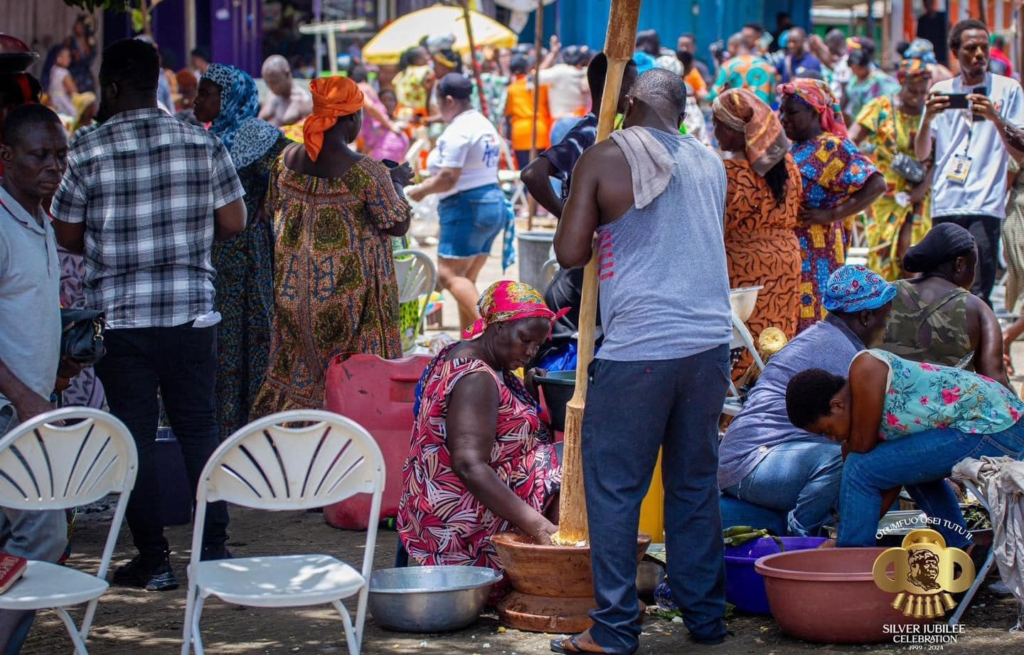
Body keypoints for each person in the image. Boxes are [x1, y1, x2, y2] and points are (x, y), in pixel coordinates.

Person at [51, 38, 247, 591]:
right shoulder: (197, 140)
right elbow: (233, 221)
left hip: (122, 319)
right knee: (199, 426)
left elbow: (66, 233)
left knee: (133, 437)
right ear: (156, 80)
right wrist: (184, 243)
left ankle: (154, 560)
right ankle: (213, 550)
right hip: (191, 314)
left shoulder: (86, 147)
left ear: (111, 88)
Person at [554, 69, 733, 651]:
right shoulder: (709, 161)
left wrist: (579, 189)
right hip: (709, 347)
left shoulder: (604, 158)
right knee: (693, 485)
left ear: (626, 103)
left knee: (614, 492)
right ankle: (705, 620)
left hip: (640, 353)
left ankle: (612, 631)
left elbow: (569, 251)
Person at [252, 76, 410, 416]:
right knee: (350, 387)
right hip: (351, 305)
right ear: (353, 118)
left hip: (295, 298)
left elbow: (272, 211)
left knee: (300, 379)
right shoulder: (366, 172)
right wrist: (397, 183)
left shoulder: (287, 160)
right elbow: (398, 224)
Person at [397, 281, 562, 582]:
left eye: (538, 345)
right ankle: (549, 573)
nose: (530, 352)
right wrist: (538, 525)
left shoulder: (468, 354)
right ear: (497, 328)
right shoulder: (476, 378)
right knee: (572, 468)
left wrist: (523, 390)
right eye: (525, 340)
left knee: (565, 457)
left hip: (446, 506)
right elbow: (469, 465)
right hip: (458, 522)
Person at [720, 266, 896, 537]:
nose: (886, 328)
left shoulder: (826, 337)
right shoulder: (843, 353)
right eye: (885, 319)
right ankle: (800, 535)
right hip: (750, 464)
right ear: (866, 316)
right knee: (843, 459)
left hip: (762, 460)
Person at [786, 350, 1024, 548]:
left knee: (860, 466)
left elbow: (861, 457)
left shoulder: (864, 367)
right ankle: (962, 548)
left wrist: (844, 544)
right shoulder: (869, 419)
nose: (833, 439)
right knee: (906, 472)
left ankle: (848, 565)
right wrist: (845, 534)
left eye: (827, 431)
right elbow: (887, 482)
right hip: (992, 429)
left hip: (997, 426)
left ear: (836, 405)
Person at [0, 104, 74, 654]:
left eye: (60, 155)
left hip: (29, 407)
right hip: (11, 412)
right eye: (39, 155)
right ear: (5, 158)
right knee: (43, 533)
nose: (54, 166)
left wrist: (55, 367)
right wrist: (22, 392)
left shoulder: (35, 217)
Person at [521, 54, 638, 369]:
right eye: (631, 85)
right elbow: (533, 174)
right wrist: (571, 219)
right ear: (612, 87)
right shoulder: (590, 133)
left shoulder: (621, 132)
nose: (635, 94)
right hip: (583, 269)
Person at [193, 63, 290, 441]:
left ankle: (245, 435)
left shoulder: (256, 134)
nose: (197, 100)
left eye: (206, 93)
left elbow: (293, 172)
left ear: (229, 98)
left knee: (243, 342)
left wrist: (268, 202)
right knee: (215, 346)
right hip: (210, 257)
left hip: (245, 260)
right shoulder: (204, 136)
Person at [914, 19, 1024, 306]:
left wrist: (995, 118)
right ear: (955, 52)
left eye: (984, 48)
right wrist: (927, 119)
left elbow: (1020, 152)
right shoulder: (941, 89)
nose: (979, 55)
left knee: (977, 293)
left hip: (985, 205)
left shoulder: (1007, 89)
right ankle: (946, 350)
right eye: (970, 48)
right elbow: (922, 153)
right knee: (941, 290)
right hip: (946, 201)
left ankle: (979, 350)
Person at [778, 79, 886, 332]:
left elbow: (876, 184)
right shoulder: (794, 149)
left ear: (815, 111)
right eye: (782, 111)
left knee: (814, 321)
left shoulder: (834, 147)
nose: (783, 118)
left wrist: (831, 214)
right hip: (794, 253)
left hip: (819, 254)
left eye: (791, 112)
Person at [405, 74, 505, 332]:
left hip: (466, 206)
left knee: (449, 276)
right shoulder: (482, 123)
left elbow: (449, 177)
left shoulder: (458, 130)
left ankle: (496, 334)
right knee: (466, 279)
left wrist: (420, 191)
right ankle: (471, 342)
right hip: (491, 202)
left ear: (448, 100)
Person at [713, 89, 801, 364]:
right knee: (776, 342)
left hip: (744, 271)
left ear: (736, 130)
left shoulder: (727, 173)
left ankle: (739, 405)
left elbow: (716, 224)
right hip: (785, 265)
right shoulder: (786, 164)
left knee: (743, 351)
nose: (714, 130)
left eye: (717, 124)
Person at [881, 224, 1010, 387]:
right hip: (948, 411)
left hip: (881, 406)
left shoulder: (884, 295)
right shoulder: (976, 308)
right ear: (960, 264)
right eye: (973, 266)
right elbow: (996, 382)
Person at [849, 57, 933, 281]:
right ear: (901, 84)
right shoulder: (880, 108)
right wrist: (860, 173)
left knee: (912, 252)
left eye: (922, 91)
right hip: (883, 192)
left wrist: (921, 190)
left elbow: (941, 156)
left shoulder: (931, 113)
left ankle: (914, 306)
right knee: (883, 250)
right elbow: (851, 139)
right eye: (911, 89)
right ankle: (887, 307)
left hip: (920, 191)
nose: (916, 96)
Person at [347, 65, 408, 164]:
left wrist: (390, 126)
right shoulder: (369, 89)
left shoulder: (358, 88)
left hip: (385, 143)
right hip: (389, 141)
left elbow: (370, 107)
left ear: (350, 79)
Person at [504, 55, 552, 169]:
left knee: (525, 171)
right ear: (527, 68)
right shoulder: (541, 86)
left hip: (520, 133)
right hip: (539, 130)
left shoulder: (511, 89)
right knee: (541, 171)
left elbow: (508, 112)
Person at [708, 33, 777, 106]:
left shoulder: (728, 66)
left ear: (733, 45)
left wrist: (703, 96)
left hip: (737, 115)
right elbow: (772, 96)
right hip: (762, 114)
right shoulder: (765, 65)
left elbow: (714, 95)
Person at [843, 40, 901, 123]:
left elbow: (895, 91)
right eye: (853, 69)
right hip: (857, 121)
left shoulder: (879, 79)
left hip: (874, 122)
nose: (856, 72)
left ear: (865, 66)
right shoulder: (854, 80)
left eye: (859, 69)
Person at [258, 54, 313, 127]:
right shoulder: (270, 96)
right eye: (267, 83)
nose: (270, 87)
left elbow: (311, 134)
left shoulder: (303, 101)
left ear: (286, 74)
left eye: (274, 82)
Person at [539, 44, 590, 123]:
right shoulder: (586, 71)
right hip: (582, 120)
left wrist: (552, 54)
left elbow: (535, 77)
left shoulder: (559, 71)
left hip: (562, 121)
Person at [392, 47, 435, 122]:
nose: (429, 57)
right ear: (418, 60)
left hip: (400, 114)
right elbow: (429, 95)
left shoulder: (400, 74)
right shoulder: (425, 71)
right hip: (418, 116)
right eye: (426, 54)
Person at [917, 0, 950, 67]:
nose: (928, 6)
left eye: (929, 3)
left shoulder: (942, 17)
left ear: (933, 3)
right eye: (926, 4)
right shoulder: (922, 20)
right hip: (928, 53)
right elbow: (920, 38)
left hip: (941, 52)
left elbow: (948, 31)